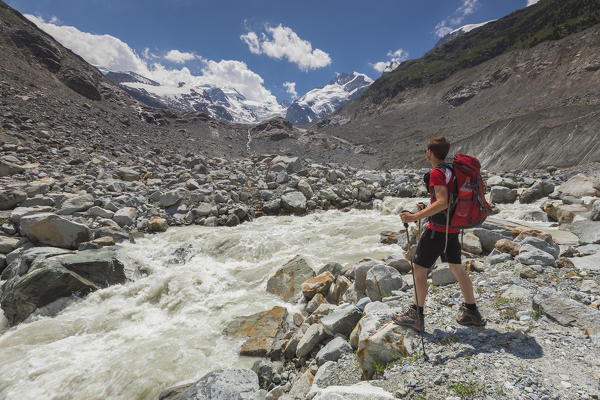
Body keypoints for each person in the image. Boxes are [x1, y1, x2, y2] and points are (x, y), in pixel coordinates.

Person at [392, 136, 486, 332]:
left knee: (418, 268)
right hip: (452, 229)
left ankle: (416, 315)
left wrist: (415, 216)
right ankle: (472, 311)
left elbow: (442, 202)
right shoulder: (452, 170)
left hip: (437, 231)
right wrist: (427, 206)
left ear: (429, 152)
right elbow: (448, 201)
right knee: (457, 268)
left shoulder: (436, 173)